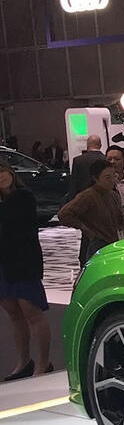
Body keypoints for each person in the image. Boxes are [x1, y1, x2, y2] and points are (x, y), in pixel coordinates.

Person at [0, 161, 52, 380]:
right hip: (2, 263)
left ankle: (43, 362)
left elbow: (23, 228)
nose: (1, 177)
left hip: (23, 261)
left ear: (11, 173)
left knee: (31, 312)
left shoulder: (23, 197)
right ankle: (23, 362)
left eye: (3, 172)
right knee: (14, 314)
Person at [57, 159, 124, 262]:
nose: (112, 180)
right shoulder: (88, 196)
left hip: (113, 243)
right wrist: (86, 229)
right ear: (95, 178)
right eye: (107, 177)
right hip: (98, 245)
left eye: (114, 176)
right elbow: (64, 214)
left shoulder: (113, 195)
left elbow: (118, 220)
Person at [68, 134, 106, 266]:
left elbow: (74, 184)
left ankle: (84, 261)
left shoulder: (78, 160)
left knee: (86, 234)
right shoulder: (104, 159)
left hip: (84, 203)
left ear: (87, 145)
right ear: (100, 145)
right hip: (102, 202)